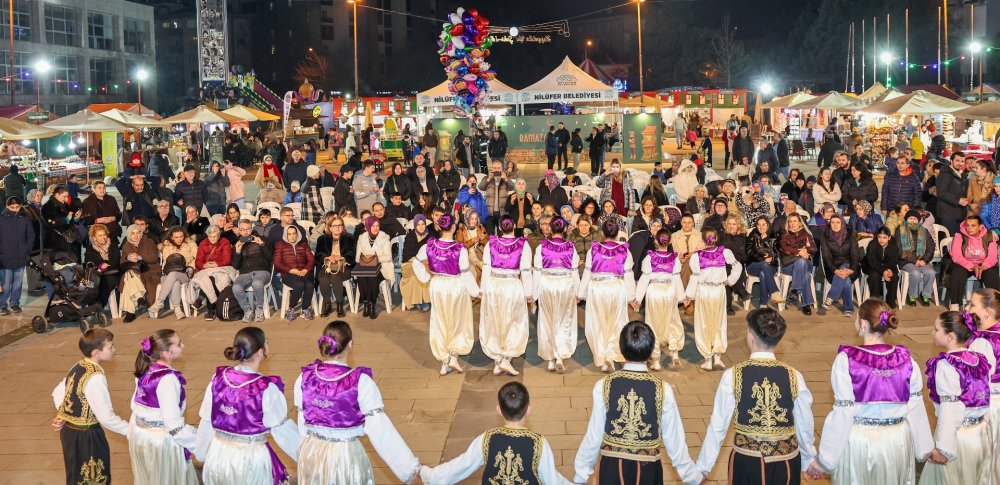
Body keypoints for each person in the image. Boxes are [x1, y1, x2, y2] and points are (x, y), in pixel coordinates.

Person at [806, 299, 933, 483]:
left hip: (861, 442)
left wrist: (825, 460)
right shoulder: (906, 360)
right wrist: (924, 447)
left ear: (863, 324)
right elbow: (916, 406)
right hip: (897, 441)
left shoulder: (847, 360)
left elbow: (843, 412)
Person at [573, 321, 703, 485]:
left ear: (621, 348)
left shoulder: (604, 385)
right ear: (651, 350)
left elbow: (594, 435)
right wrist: (692, 477)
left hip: (612, 468)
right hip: (648, 470)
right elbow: (675, 441)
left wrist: (581, 474)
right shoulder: (662, 389)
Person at [696, 308, 816, 484]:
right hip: (786, 462)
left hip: (747, 462)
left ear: (750, 336)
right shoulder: (794, 376)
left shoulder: (733, 375)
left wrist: (703, 468)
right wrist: (808, 458)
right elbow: (804, 423)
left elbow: (718, 426)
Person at [294, 321, 421, 484]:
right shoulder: (360, 382)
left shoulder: (305, 378)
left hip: (312, 453)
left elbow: (302, 422)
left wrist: (303, 450)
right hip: (345, 457)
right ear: (350, 344)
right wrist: (410, 470)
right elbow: (380, 429)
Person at [195, 327, 299, 485]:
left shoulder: (218, 379)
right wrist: (306, 456)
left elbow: (207, 419)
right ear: (260, 352)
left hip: (218, 454)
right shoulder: (265, 388)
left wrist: (201, 452)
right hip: (250, 460)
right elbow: (281, 429)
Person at [421, 382, 569, 485]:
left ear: (499, 410)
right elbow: (552, 480)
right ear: (529, 409)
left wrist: (425, 474)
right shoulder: (539, 443)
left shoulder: (487, 438)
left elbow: (459, 467)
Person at [919, 311, 992, 485]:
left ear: (950, 336)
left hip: (956, 439)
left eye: (936, 329)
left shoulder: (947, 364)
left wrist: (944, 449)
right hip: (979, 434)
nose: (933, 332)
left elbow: (950, 409)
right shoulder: (980, 360)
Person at [51, 329, 130, 484]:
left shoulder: (79, 365)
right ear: (96, 353)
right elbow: (106, 418)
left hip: (69, 433)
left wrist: (66, 414)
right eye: (110, 347)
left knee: (75, 475)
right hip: (87, 437)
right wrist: (132, 431)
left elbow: (59, 391)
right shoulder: (96, 377)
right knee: (93, 478)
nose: (114, 349)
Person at [413, 214, 481, 375]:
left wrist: (426, 277)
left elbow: (416, 262)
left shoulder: (429, 245)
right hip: (455, 285)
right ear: (453, 228)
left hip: (438, 285)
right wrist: (476, 291)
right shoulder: (459, 249)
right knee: (457, 320)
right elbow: (465, 273)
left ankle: (445, 359)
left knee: (440, 320)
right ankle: (453, 355)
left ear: (439, 226)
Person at [129, 329, 199, 484]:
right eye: (179, 344)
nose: (183, 346)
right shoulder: (167, 379)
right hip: (161, 442)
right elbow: (173, 425)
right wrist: (200, 444)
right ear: (167, 354)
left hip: (141, 436)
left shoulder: (144, 369)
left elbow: (136, 407)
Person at [578, 219, 634, 372]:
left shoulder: (594, 249)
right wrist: (632, 297)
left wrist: (580, 293)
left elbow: (587, 273)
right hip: (617, 288)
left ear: (602, 233)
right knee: (617, 322)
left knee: (597, 322)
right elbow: (628, 274)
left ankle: (603, 357)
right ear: (617, 233)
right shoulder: (624, 250)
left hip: (598, 288)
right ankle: (612, 354)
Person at [479, 216, 532, 376]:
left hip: (494, 285)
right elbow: (526, 271)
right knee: (513, 322)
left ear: (500, 228)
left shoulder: (491, 243)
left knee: (495, 321)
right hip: (512, 286)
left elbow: (486, 268)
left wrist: (483, 289)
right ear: (514, 226)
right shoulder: (523, 245)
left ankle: (499, 359)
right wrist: (529, 293)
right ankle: (505, 359)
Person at [685, 227, 742, 370]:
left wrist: (689, 296)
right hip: (718, 291)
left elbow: (695, 277)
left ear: (703, 239)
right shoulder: (725, 252)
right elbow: (737, 266)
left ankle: (707, 358)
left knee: (703, 322)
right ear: (716, 238)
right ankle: (717, 357)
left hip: (704, 291)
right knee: (719, 322)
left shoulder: (697, 256)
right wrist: (729, 280)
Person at [530, 216, 580, 374]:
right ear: (564, 229)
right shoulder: (571, 247)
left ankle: (550, 359)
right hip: (565, 285)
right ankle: (559, 356)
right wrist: (578, 293)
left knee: (547, 319)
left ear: (550, 229)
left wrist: (533, 294)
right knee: (564, 320)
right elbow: (574, 272)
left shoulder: (542, 247)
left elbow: (537, 272)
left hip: (547, 284)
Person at [960, 288, 1000, 483]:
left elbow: (976, 383)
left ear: (987, 312)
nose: (967, 309)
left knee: (987, 459)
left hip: (990, 404)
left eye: (972, 305)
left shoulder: (983, 342)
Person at [633, 229, 684, 368]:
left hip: (654, 291)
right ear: (670, 241)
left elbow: (644, 279)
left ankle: (655, 360)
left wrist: (637, 298)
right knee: (672, 319)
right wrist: (682, 297)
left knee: (652, 322)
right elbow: (676, 279)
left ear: (656, 241)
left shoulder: (649, 258)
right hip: (669, 290)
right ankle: (674, 352)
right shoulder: (674, 258)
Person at [947, 215, 1000, 310]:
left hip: (983, 264)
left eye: (973, 225)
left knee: (992, 273)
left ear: (980, 226)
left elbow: (992, 256)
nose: (969, 228)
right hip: (965, 264)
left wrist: (983, 266)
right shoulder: (959, 235)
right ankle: (955, 303)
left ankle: (996, 304)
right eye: (967, 225)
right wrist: (971, 266)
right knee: (957, 271)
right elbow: (956, 255)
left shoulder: (990, 236)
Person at [188, 225, 235, 321]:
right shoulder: (203, 243)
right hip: (207, 269)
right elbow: (198, 261)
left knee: (212, 279)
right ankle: (211, 308)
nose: (212, 239)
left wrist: (217, 264)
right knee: (207, 278)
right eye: (210, 237)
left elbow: (227, 259)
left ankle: (208, 307)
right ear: (207, 236)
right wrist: (204, 265)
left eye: (215, 236)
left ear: (219, 235)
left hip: (221, 268)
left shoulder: (224, 242)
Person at [229, 220, 272, 323]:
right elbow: (235, 266)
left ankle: (259, 310)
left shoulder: (262, 239)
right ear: (239, 231)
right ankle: (247, 311)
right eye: (242, 230)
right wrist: (237, 252)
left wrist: (261, 244)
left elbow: (271, 257)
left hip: (262, 271)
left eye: (248, 229)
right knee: (236, 287)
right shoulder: (238, 243)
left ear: (252, 229)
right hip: (245, 273)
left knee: (257, 283)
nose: (245, 232)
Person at [152, 226, 198, 320]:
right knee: (175, 281)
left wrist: (190, 267)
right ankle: (177, 309)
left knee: (174, 275)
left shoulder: (190, 243)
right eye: (176, 237)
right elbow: (168, 262)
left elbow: (197, 257)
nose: (179, 239)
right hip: (169, 274)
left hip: (185, 273)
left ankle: (159, 301)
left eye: (181, 236)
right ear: (172, 237)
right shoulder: (167, 246)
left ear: (184, 235)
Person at [314, 214, 354, 318]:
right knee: (323, 278)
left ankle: (339, 305)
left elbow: (352, 253)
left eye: (339, 225)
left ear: (343, 227)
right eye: (334, 226)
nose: (337, 228)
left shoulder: (349, 237)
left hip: (344, 266)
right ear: (330, 228)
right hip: (326, 266)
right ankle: (327, 304)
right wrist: (327, 257)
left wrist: (342, 258)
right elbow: (318, 254)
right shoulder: (322, 239)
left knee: (335, 277)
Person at [821, 214, 862, 317]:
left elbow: (855, 257)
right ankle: (848, 309)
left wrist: (851, 269)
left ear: (842, 223)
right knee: (845, 280)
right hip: (832, 269)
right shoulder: (825, 237)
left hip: (851, 267)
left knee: (844, 268)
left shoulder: (850, 236)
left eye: (838, 222)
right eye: (832, 222)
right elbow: (826, 258)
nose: (835, 225)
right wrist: (835, 270)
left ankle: (831, 297)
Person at [120, 223, 162, 322]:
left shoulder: (149, 242)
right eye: (133, 233)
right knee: (129, 274)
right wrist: (128, 257)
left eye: (138, 233)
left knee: (128, 280)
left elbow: (154, 257)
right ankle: (139, 298)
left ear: (141, 233)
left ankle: (131, 312)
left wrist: (140, 257)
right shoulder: (126, 245)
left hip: (149, 270)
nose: (136, 235)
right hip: (134, 270)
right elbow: (122, 262)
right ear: (129, 235)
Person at [272, 224, 315, 321]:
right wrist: (291, 270)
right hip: (289, 274)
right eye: (289, 234)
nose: (292, 236)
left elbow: (311, 259)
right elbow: (277, 263)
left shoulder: (303, 244)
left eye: (294, 233)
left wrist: (306, 269)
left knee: (310, 285)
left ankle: (304, 309)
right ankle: (291, 308)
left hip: (304, 272)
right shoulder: (280, 245)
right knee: (299, 284)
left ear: (297, 234)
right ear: (285, 235)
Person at [354, 216, 393, 319]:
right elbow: (357, 258)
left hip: (381, 267)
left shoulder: (384, 237)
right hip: (365, 266)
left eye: (377, 226)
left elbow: (388, 257)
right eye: (373, 226)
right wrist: (365, 258)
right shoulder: (362, 238)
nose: (375, 228)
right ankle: (366, 303)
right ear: (367, 226)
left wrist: (374, 258)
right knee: (361, 277)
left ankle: (372, 305)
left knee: (372, 276)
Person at [780, 213, 818, 315]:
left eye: (795, 221)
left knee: (801, 262)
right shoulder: (785, 234)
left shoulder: (806, 234)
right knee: (805, 274)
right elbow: (784, 248)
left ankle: (795, 288)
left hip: (806, 263)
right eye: (790, 221)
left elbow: (814, 249)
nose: (792, 223)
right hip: (789, 265)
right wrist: (798, 252)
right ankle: (806, 304)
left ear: (800, 223)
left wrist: (806, 250)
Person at [898, 209, 936, 307]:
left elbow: (931, 247)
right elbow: (900, 249)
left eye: (915, 219)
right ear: (906, 219)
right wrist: (914, 260)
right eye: (910, 218)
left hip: (922, 260)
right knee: (915, 273)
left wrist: (924, 260)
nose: (912, 220)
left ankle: (925, 295)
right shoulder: (900, 230)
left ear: (918, 220)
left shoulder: (924, 231)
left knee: (931, 272)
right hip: (905, 260)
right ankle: (912, 295)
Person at [0, 196, 32, 315]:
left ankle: (14, 303)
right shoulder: (1, 219)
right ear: (7, 206)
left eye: (17, 207)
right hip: (5, 257)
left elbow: (30, 235)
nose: (15, 209)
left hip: (21, 256)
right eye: (12, 207)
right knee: (6, 283)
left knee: (18, 283)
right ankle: (2, 304)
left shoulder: (24, 219)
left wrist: (27, 249)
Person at [863, 227, 902, 307]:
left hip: (888, 267)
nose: (882, 240)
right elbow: (872, 262)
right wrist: (883, 271)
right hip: (872, 267)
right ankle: (875, 303)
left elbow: (894, 260)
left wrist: (888, 270)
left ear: (889, 238)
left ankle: (890, 304)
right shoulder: (872, 244)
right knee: (874, 276)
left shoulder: (893, 245)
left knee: (894, 277)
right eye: (879, 237)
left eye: (885, 237)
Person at [399, 214, 431, 312]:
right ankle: (420, 301)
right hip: (411, 263)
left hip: (426, 263)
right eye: (418, 224)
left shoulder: (430, 237)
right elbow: (406, 254)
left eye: (423, 224)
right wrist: (418, 262)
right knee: (417, 272)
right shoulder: (410, 236)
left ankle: (423, 299)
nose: (421, 227)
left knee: (423, 272)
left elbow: (432, 253)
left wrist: (425, 261)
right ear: (415, 225)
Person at [936, 152, 969, 235]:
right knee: (950, 240)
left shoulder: (963, 175)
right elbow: (941, 192)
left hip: (959, 214)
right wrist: (958, 200)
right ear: (951, 161)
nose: (960, 163)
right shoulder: (945, 174)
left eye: (962, 161)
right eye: (957, 160)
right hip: (948, 215)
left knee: (957, 239)